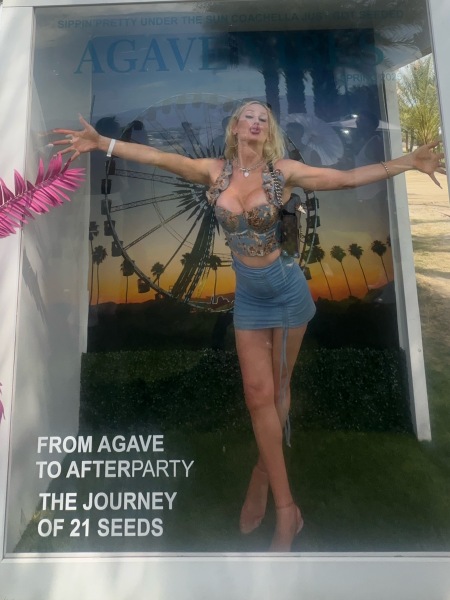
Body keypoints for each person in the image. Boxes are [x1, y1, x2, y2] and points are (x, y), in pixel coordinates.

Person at [54, 102, 445, 552]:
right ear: (236, 127)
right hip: (250, 300)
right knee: (258, 396)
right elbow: (160, 158)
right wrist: (103, 143)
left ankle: (269, 485)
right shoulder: (212, 172)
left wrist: (407, 162)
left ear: (268, 131)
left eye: (263, 118)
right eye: (249, 116)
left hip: (287, 293)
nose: (256, 122)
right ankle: (283, 501)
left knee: (278, 391)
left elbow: (347, 179)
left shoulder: (284, 172)